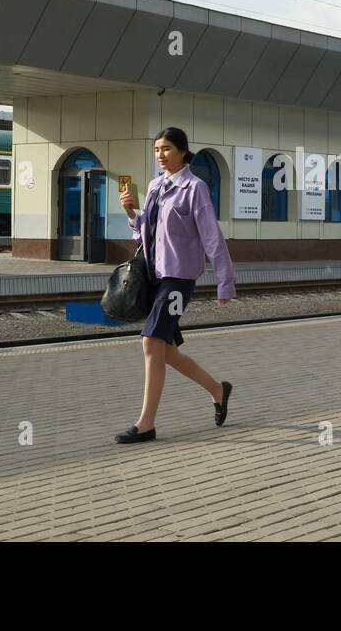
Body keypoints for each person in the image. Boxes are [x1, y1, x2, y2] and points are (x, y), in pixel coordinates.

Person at [115, 127, 237, 444]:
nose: (160, 154)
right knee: (166, 351)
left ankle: (146, 424)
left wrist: (225, 282)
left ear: (183, 151)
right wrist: (131, 212)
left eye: (167, 148)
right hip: (155, 276)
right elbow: (144, 234)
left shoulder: (195, 188)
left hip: (179, 280)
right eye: (156, 149)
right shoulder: (156, 186)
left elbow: (211, 236)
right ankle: (217, 390)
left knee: (151, 343)